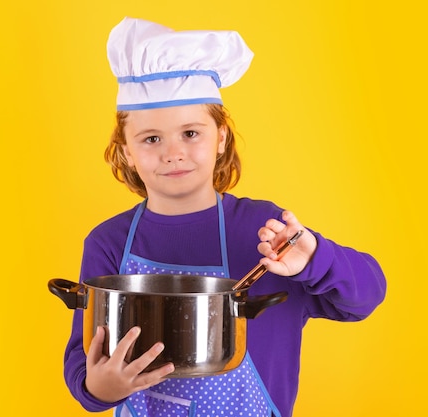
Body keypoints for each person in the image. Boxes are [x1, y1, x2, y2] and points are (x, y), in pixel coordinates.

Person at [62, 16, 386, 417]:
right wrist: (99, 387)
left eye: (191, 133)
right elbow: (84, 356)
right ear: (127, 151)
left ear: (222, 139)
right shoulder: (108, 243)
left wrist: (316, 258)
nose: (172, 152)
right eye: (150, 139)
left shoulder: (267, 233)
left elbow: (365, 298)